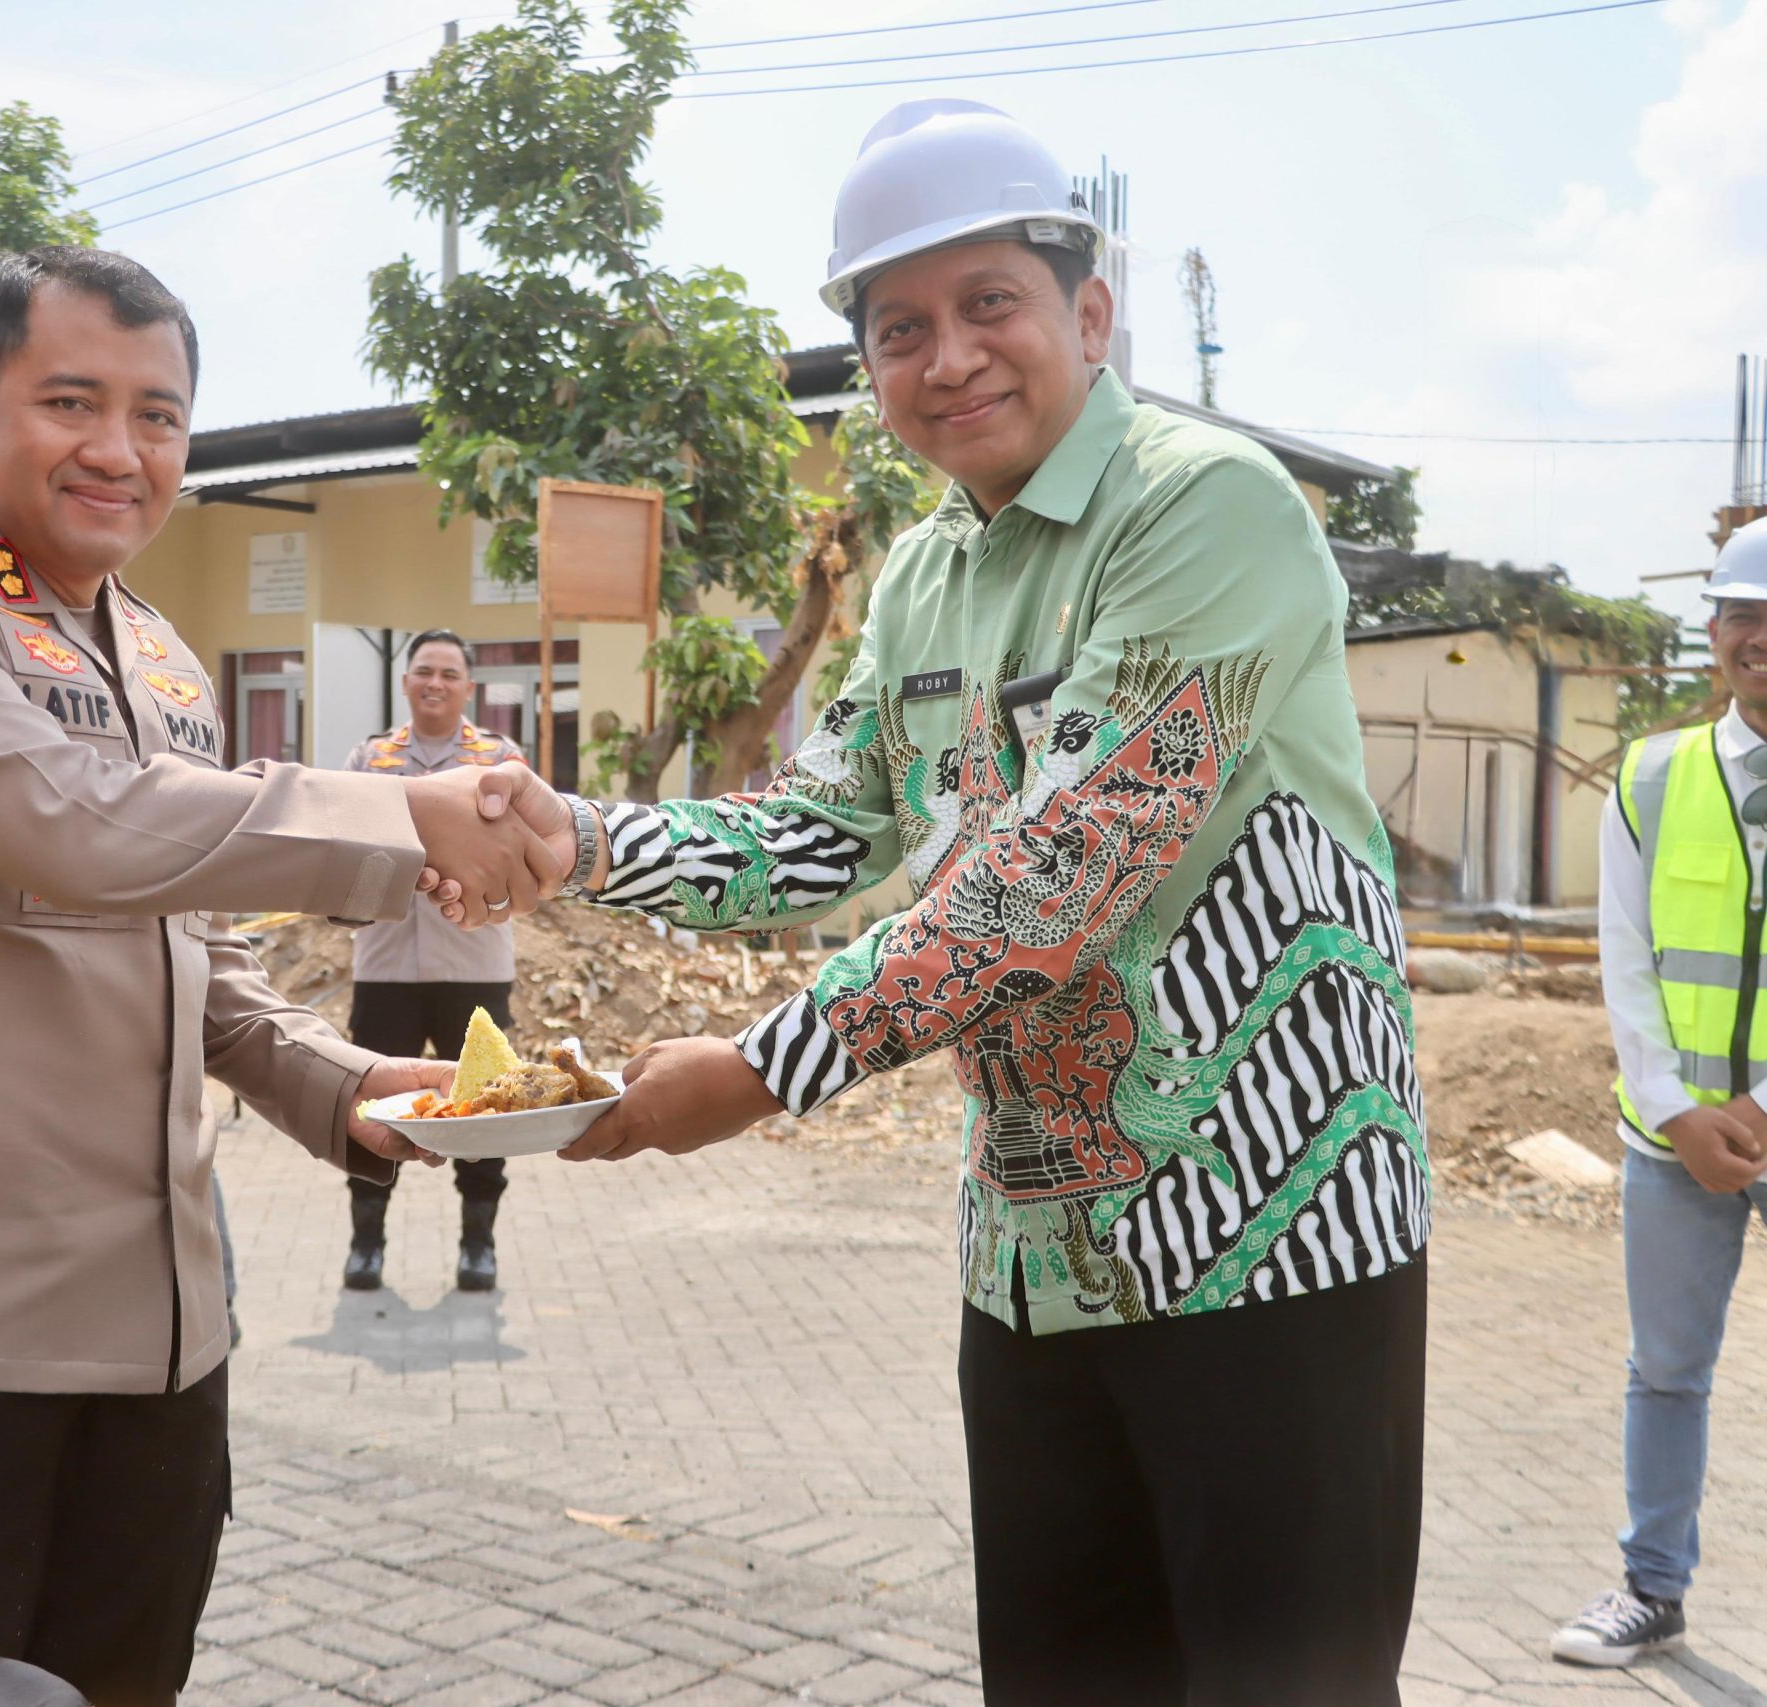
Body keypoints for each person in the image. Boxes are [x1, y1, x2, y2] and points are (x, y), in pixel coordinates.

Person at [437, 100, 1431, 1704]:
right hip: (1031, 1262)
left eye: (988, 305)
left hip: (1270, 1247)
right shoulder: (921, 577)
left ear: (1088, 313)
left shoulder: (1209, 506)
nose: (948, 358)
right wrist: (581, 837)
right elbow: (824, 825)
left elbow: (1065, 864)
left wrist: (762, 1069)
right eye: (899, 329)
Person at [0, 245, 569, 1706]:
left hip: (163, 1345)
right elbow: (80, 826)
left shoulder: (164, 659)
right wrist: (403, 818)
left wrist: (345, 1081)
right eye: (72, 402)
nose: (119, 452)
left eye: (160, 416)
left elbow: (195, 942)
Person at [1550, 518, 1767, 1667]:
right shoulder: (1649, 775)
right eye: (1743, 614)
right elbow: (1622, 958)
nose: (1760, 636)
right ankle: (1650, 1588)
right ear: (1714, 631)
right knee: (1667, 1371)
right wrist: (1679, 1111)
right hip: (1669, 1136)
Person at [337, 630, 528, 1293]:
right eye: (424, 671)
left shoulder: (498, 760)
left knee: (485, 1105)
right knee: (374, 1105)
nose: (435, 683)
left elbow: (515, 849)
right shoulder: (370, 759)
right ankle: (366, 1242)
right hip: (385, 965)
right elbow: (344, 846)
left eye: (449, 673)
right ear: (405, 682)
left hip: (475, 964)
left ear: (469, 687)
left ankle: (479, 1243)